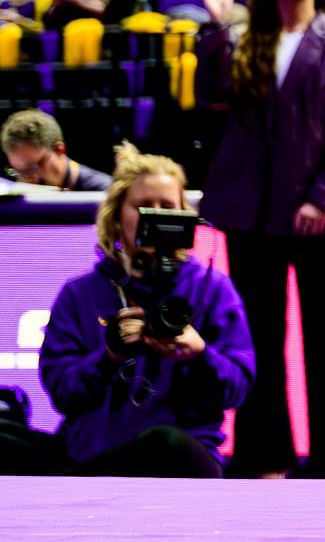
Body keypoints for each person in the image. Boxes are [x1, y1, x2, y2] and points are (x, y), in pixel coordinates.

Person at [195, 0, 325, 479]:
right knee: (256, 341)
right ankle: (263, 456)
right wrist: (217, 24)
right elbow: (211, 93)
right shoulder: (246, 37)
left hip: (321, 212)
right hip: (252, 212)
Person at [21, 145, 253, 476]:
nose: (156, 216)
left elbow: (238, 388)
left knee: (165, 444)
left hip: (178, 453)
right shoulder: (79, 292)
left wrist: (199, 354)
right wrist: (108, 357)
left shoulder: (211, 288)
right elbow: (63, 393)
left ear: (185, 215)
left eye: (167, 207)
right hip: (91, 456)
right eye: (143, 207)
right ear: (117, 215)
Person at [3, 108, 111, 189]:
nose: (27, 179)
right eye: (18, 171)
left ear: (60, 149)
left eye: (33, 168)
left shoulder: (104, 191)